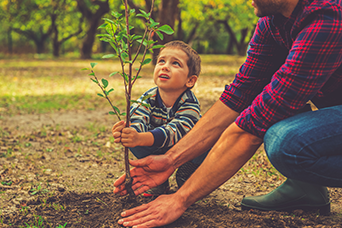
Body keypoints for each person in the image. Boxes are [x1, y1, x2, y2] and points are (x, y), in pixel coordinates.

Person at [112, 0, 342, 227]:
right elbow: (239, 95)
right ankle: (305, 188)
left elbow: (254, 125)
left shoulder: (327, 17)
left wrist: (180, 199)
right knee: (275, 103)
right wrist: (171, 159)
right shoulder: (272, 21)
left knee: (286, 142)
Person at [112, 40, 208, 197]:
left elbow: (176, 131)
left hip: (186, 150)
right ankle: (158, 180)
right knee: (135, 141)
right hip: (157, 146)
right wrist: (130, 133)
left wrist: (142, 137)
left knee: (206, 144)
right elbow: (137, 116)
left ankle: (190, 172)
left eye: (175, 63)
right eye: (161, 61)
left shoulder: (190, 103)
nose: (165, 66)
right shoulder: (149, 96)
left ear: (190, 80)